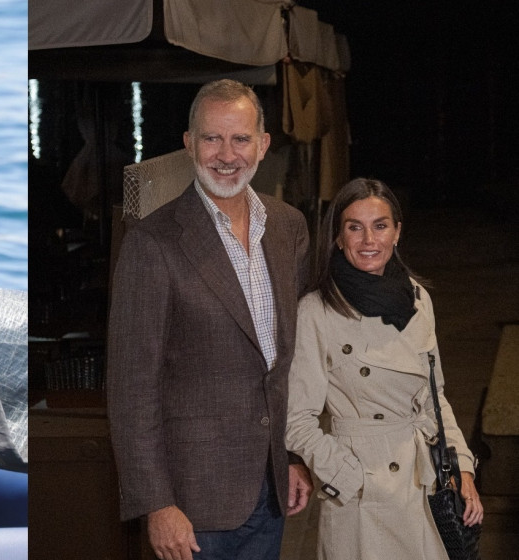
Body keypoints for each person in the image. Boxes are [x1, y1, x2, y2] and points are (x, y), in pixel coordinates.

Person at [106, 79, 313, 560]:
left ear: (263, 144)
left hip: (269, 492)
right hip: (191, 505)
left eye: (240, 139)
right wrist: (157, 504)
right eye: (211, 138)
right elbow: (131, 388)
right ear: (189, 143)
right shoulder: (152, 243)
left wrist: (291, 455)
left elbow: (284, 364)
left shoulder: (288, 227)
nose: (226, 154)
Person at [284, 177, 483, 559]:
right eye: (354, 228)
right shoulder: (316, 311)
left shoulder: (418, 299)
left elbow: (434, 397)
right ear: (338, 236)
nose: (368, 240)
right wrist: (346, 476)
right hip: (362, 497)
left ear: (397, 232)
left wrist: (462, 467)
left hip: (422, 483)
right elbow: (296, 419)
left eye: (380, 226)